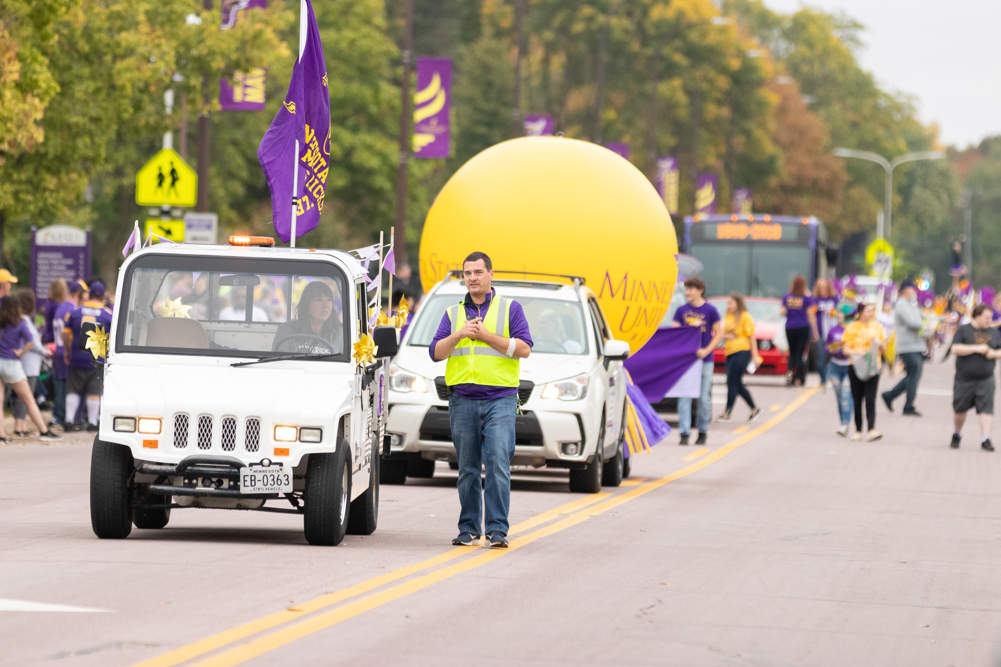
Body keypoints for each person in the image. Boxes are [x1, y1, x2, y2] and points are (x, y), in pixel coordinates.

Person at [430, 251, 533, 549]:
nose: (472, 278)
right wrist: (459, 334)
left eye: (477, 272)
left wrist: (487, 336)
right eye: (467, 273)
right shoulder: (453, 313)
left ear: (490, 275)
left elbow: (524, 348)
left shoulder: (510, 309)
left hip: (500, 399)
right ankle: (469, 529)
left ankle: (498, 530)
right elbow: (436, 352)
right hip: (462, 399)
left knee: (498, 462)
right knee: (467, 468)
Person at [0, 296, 59, 442]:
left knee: (0, 401)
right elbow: (31, 341)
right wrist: (21, 352)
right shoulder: (20, 323)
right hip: (12, 364)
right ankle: (44, 431)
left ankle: (1, 435)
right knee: (28, 399)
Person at [672, 277, 722, 445]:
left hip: (705, 359)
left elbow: (719, 333)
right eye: (686, 289)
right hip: (687, 361)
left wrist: (706, 350)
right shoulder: (681, 311)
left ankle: (702, 430)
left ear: (700, 290)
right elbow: (675, 333)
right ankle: (684, 433)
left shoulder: (710, 310)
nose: (688, 293)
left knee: (703, 398)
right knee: (684, 396)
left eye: (691, 289)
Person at [62, 280, 113, 432]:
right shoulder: (107, 314)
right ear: (103, 296)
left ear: (89, 294)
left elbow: (65, 334)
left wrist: (67, 351)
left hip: (77, 355)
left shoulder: (75, 312)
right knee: (94, 390)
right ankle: (92, 422)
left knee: (73, 389)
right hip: (96, 357)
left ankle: (69, 420)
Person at [949, 303, 1001, 451]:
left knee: (987, 409)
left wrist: (993, 353)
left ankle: (986, 438)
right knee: (960, 410)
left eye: (990, 318)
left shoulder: (994, 332)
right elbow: (955, 348)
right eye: (986, 318)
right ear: (976, 316)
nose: (988, 321)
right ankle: (957, 433)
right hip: (964, 378)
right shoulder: (964, 330)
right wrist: (976, 348)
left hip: (986, 378)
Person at [842, 301, 888, 441]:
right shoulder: (852, 327)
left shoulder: (877, 327)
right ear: (861, 312)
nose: (871, 313)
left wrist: (879, 344)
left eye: (872, 310)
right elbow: (845, 349)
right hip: (855, 365)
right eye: (868, 310)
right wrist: (857, 353)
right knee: (857, 398)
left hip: (873, 366)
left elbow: (884, 349)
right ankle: (858, 429)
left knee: (870, 398)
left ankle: (871, 429)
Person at [881, 282, 927, 417]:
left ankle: (890, 395)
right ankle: (908, 406)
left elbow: (922, 317)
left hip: (916, 345)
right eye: (911, 290)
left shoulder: (912, 304)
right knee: (914, 375)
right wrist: (923, 323)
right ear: (905, 291)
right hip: (907, 346)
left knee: (913, 375)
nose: (914, 293)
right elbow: (914, 323)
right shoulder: (901, 304)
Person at [718, 294, 761, 423]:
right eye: (728, 303)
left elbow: (751, 337)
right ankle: (754, 408)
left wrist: (755, 355)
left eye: (731, 303)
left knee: (732, 381)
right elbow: (721, 333)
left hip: (742, 351)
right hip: (729, 352)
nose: (729, 306)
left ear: (738, 304)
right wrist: (726, 336)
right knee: (737, 383)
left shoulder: (745, 317)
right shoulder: (727, 317)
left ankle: (727, 412)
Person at [13, 289, 49, 437]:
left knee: (22, 397)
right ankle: (19, 426)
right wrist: (46, 352)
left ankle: (20, 425)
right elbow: (33, 343)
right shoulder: (26, 320)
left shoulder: (20, 319)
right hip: (30, 365)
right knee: (26, 397)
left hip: (26, 363)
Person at [273, 281, 343, 353]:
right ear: (306, 305)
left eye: (329, 300)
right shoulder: (287, 330)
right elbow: (280, 361)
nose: (326, 306)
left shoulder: (339, 332)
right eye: (318, 300)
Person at [781, 275, 818, 386]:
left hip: (790, 327)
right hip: (803, 327)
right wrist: (815, 332)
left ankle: (789, 373)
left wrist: (791, 311)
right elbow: (811, 315)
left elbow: (782, 312)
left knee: (792, 352)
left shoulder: (787, 297)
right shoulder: (806, 298)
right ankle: (799, 378)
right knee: (800, 353)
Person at [826, 304, 855, 437]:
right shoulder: (833, 330)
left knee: (846, 394)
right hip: (835, 365)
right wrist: (831, 349)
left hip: (849, 365)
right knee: (839, 396)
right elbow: (827, 346)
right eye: (838, 315)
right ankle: (843, 421)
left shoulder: (853, 331)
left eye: (842, 315)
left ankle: (845, 423)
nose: (840, 317)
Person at [812, 278, 839, 385]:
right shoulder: (815, 299)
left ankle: (828, 378)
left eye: (824, 286)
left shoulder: (834, 299)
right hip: (820, 332)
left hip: (833, 334)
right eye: (820, 287)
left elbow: (838, 312)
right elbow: (811, 314)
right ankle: (823, 379)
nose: (822, 289)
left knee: (832, 358)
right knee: (820, 360)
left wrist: (832, 312)